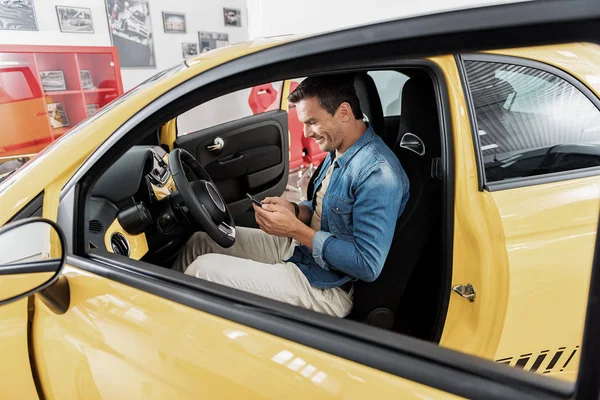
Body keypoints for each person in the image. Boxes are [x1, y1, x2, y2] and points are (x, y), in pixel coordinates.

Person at [173, 74, 410, 318]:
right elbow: (327, 209)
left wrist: (295, 229)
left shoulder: (377, 173)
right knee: (200, 242)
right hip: (301, 252)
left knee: (202, 270)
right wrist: (294, 210)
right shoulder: (340, 148)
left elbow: (367, 264)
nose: (306, 133)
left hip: (326, 286)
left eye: (312, 122)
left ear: (344, 112)